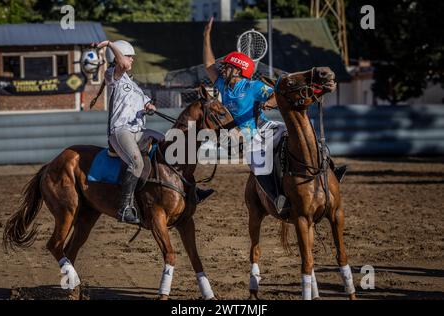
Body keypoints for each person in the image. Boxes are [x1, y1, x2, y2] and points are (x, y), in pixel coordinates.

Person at [202, 18, 347, 216]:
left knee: (305, 136)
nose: (222, 68)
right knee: (260, 168)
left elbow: (275, 94)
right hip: (245, 139)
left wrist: (269, 102)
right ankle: (279, 198)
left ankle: (330, 171)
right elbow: (209, 63)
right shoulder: (223, 86)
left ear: (238, 70)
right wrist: (206, 36)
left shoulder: (252, 86)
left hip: (265, 127)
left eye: (227, 66)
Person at [94, 40, 214, 225]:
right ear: (118, 59)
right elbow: (123, 64)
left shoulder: (133, 84)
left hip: (139, 131)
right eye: (129, 56)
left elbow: (145, 102)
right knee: (136, 163)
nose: (132, 59)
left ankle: (192, 190)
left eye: (132, 56)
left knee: (170, 145)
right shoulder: (113, 75)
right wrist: (110, 44)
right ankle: (125, 207)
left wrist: (148, 106)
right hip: (121, 131)